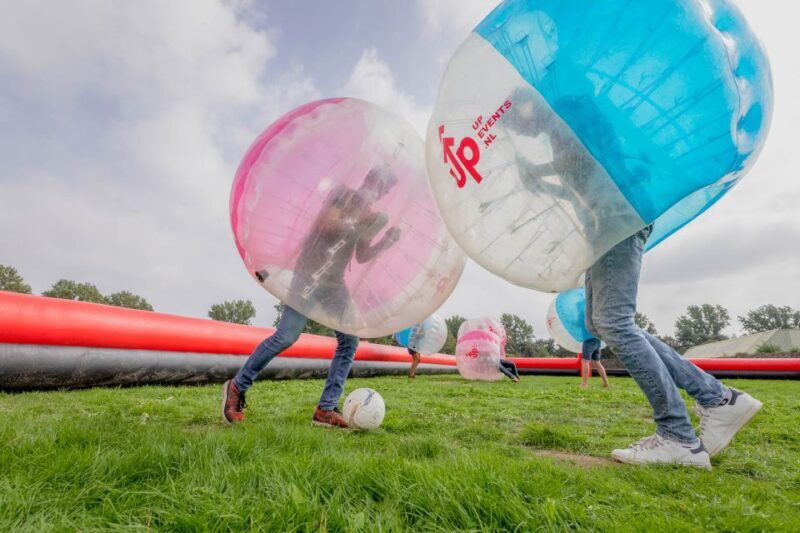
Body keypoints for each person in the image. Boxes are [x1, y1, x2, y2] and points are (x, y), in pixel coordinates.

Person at [222, 167, 401, 428]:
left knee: (349, 341)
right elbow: (325, 225)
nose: (378, 189)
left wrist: (386, 241)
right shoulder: (344, 196)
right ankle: (237, 386)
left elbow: (361, 254)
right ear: (367, 179)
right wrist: (358, 224)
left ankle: (325, 409)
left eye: (384, 188)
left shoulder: (370, 216)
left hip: (334, 283)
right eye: (377, 182)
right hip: (309, 274)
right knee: (286, 336)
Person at [585, 225, 762, 468]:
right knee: (600, 324)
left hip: (614, 219)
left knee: (614, 321)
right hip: (599, 227)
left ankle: (677, 435)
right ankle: (718, 398)